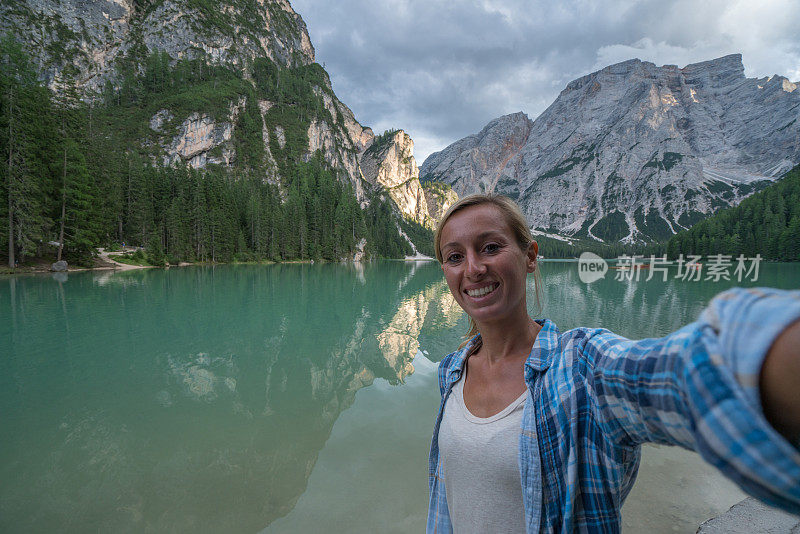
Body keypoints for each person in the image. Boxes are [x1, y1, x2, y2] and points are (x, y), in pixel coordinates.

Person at [427, 193, 800, 533]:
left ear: (530, 256)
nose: (473, 269)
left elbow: (684, 373)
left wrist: (770, 353)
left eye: (490, 247)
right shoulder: (452, 371)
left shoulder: (583, 367)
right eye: (455, 257)